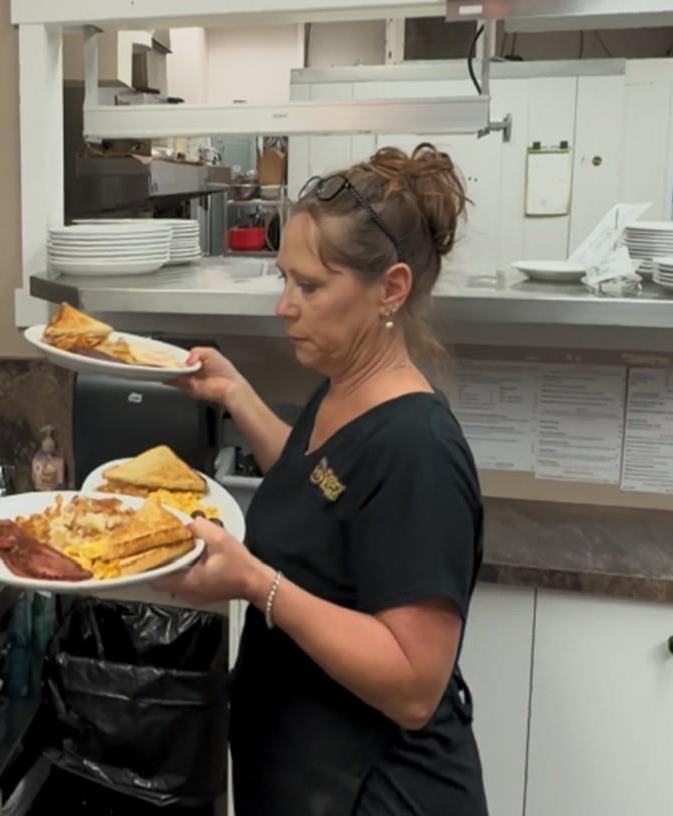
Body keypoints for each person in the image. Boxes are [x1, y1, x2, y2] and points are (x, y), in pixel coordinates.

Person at [157, 143, 488, 816]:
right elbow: (320, 486)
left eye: (309, 287)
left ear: (390, 288)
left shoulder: (418, 450)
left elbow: (414, 685)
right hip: (303, 772)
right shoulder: (344, 387)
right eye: (285, 279)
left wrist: (256, 584)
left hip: (377, 791)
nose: (285, 306)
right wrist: (236, 395)